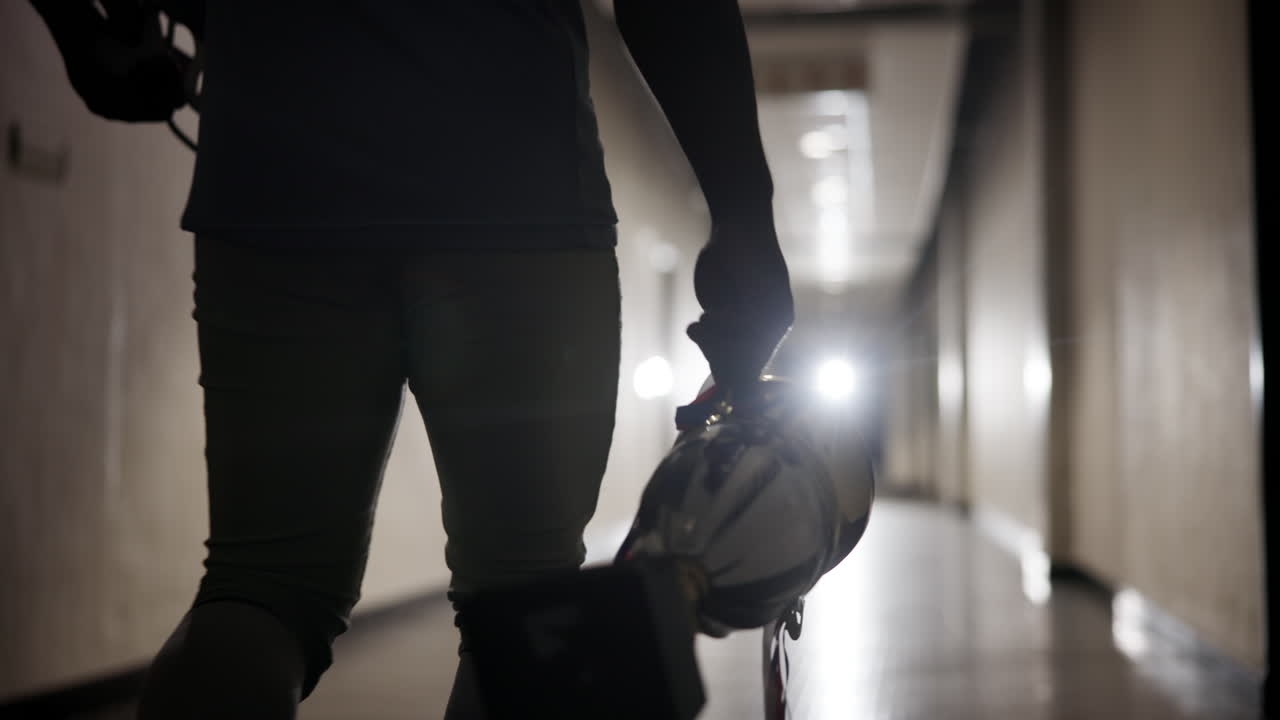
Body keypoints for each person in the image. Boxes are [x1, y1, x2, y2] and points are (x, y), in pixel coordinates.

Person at [29, 1, 794, 717]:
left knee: (260, 588)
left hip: (274, 171)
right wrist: (744, 215)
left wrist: (79, 32)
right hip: (515, 189)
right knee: (523, 599)